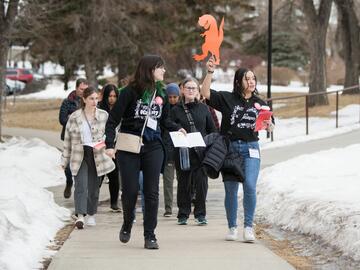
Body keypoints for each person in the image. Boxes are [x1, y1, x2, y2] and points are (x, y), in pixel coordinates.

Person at [105, 55, 180, 250]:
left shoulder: (161, 94)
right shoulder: (130, 92)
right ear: (149, 69)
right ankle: (128, 222)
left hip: (153, 146)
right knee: (130, 191)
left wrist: (177, 128)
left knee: (152, 192)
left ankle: (150, 235)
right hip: (130, 147)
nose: (164, 71)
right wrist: (109, 144)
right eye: (160, 68)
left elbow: (164, 121)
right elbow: (113, 120)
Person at [200, 56, 274, 242]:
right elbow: (205, 92)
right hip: (230, 149)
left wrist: (268, 125)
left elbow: (271, 125)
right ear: (238, 81)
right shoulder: (227, 98)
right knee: (231, 190)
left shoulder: (261, 103)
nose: (251, 82)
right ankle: (232, 226)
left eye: (253, 79)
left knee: (249, 185)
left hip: (251, 148)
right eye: (247, 79)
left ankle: (248, 227)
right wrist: (210, 72)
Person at [61, 86, 115, 229]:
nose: (94, 101)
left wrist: (109, 146)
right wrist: (64, 161)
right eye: (91, 98)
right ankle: (80, 216)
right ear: (84, 99)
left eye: (96, 98)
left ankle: (91, 214)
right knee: (81, 185)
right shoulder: (74, 117)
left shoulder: (104, 115)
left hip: (97, 152)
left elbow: (111, 133)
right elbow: (67, 140)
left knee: (93, 186)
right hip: (79, 152)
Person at [170, 77, 216, 226]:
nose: (191, 90)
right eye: (188, 88)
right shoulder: (175, 109)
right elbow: (167, 124)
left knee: (202, 184)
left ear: (198, 91)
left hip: (200, 152)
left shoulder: (204, 109)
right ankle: (183, 214)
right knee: (184, 183)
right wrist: (177, 129)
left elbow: (212, 130)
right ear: (182, 90)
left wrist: (209, 145)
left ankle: (200, 214)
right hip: (183, 152)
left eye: (194, 88)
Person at [59, 78, 88, 199]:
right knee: (69, 164)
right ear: (76, 88)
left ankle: (80, 189)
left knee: (82, 163)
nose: (83, 91)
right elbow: (62, 119)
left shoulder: (88, 101)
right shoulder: (67, 102)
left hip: (85, 138)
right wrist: (74, 120)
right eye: (81, 89)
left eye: (85, 89)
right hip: (70, 137)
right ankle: (69, 181)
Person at [98, 84, 121, 212]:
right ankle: (92, 200)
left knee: (114, 175)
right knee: (100, 174)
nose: (112, 99)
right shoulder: (100, 110)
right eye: (109, 96)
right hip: (101, 146)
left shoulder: (120, 110)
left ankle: (114, 203)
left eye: (114, 96)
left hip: (116, 146)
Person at [161, 83, 180, 217]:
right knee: (168, 181)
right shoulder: (162, 111)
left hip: (180, 149)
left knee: (183, 181)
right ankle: (168, 208)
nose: (172, 99)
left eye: (175, 97)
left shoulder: (182, 110)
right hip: (167, 150)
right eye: (170, 97)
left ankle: (182, 206)